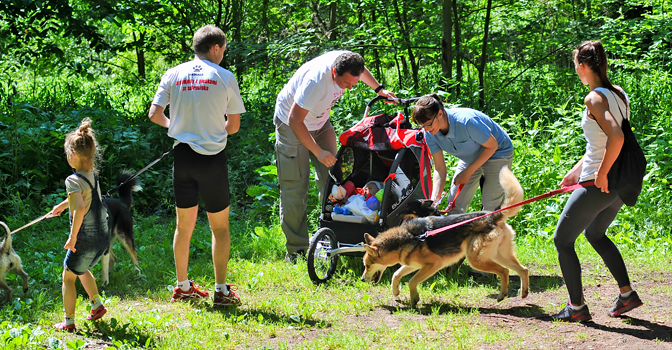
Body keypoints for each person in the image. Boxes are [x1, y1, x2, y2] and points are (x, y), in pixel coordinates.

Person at [148, 25, 244, 307]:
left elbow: (155, 114)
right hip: (212, 160)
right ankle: (221, 291)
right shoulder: (224, 77)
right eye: (223, 49)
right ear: (215, 48)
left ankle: (181, 286)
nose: (223, 54)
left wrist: (178, 128)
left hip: (183, 157)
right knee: (220, 228)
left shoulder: (173, 73)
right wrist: (212, 133)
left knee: (183, 226)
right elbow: (234, 126)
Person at [274, 50, 395, 262]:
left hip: (320, 124)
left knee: (335, 181)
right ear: (333, 72)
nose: (349, 87)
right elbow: (295, 120)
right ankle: (297, 250)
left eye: (353, 83)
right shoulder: (316, 82)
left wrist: (379, 89)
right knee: (295, 187)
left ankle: (330, 238)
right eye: (345, 83)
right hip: (291, 125)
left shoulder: (349, 61)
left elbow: (361, 70)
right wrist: (318, 152)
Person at [551, 40, 642, 322]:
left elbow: (617, 137)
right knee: (595, 234)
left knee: (562, 241)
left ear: (581, 66)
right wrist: (576, 170)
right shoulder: (618, 93)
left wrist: (599, 174)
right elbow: (601, 142)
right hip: (618, 182)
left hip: (600, 182)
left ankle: (576, 308)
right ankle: (626, 295)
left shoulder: (594, 98)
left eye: (575, 66)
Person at [51, 117, 109, 332]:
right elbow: (84, 199)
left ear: (72, 156)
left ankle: (68, 323)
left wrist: (73, 237)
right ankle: (96, 304)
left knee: (68, 276)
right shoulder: (92, 176)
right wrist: (63, 205)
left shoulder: (72, 180)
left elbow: (81, 208)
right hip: (102, 237)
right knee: (81, 268)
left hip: (84, 238)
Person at [411, 94, 514, 214]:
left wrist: (468, 171)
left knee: (490, 210)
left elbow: (492, 145)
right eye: (422, 126)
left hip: (497, 153)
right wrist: (434, 200)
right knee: (454, 207)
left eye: (428, 124)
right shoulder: (429, 134)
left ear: (439, 113)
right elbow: (439, 168)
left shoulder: (467, 122)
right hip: (470, 157)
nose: (426, 129)